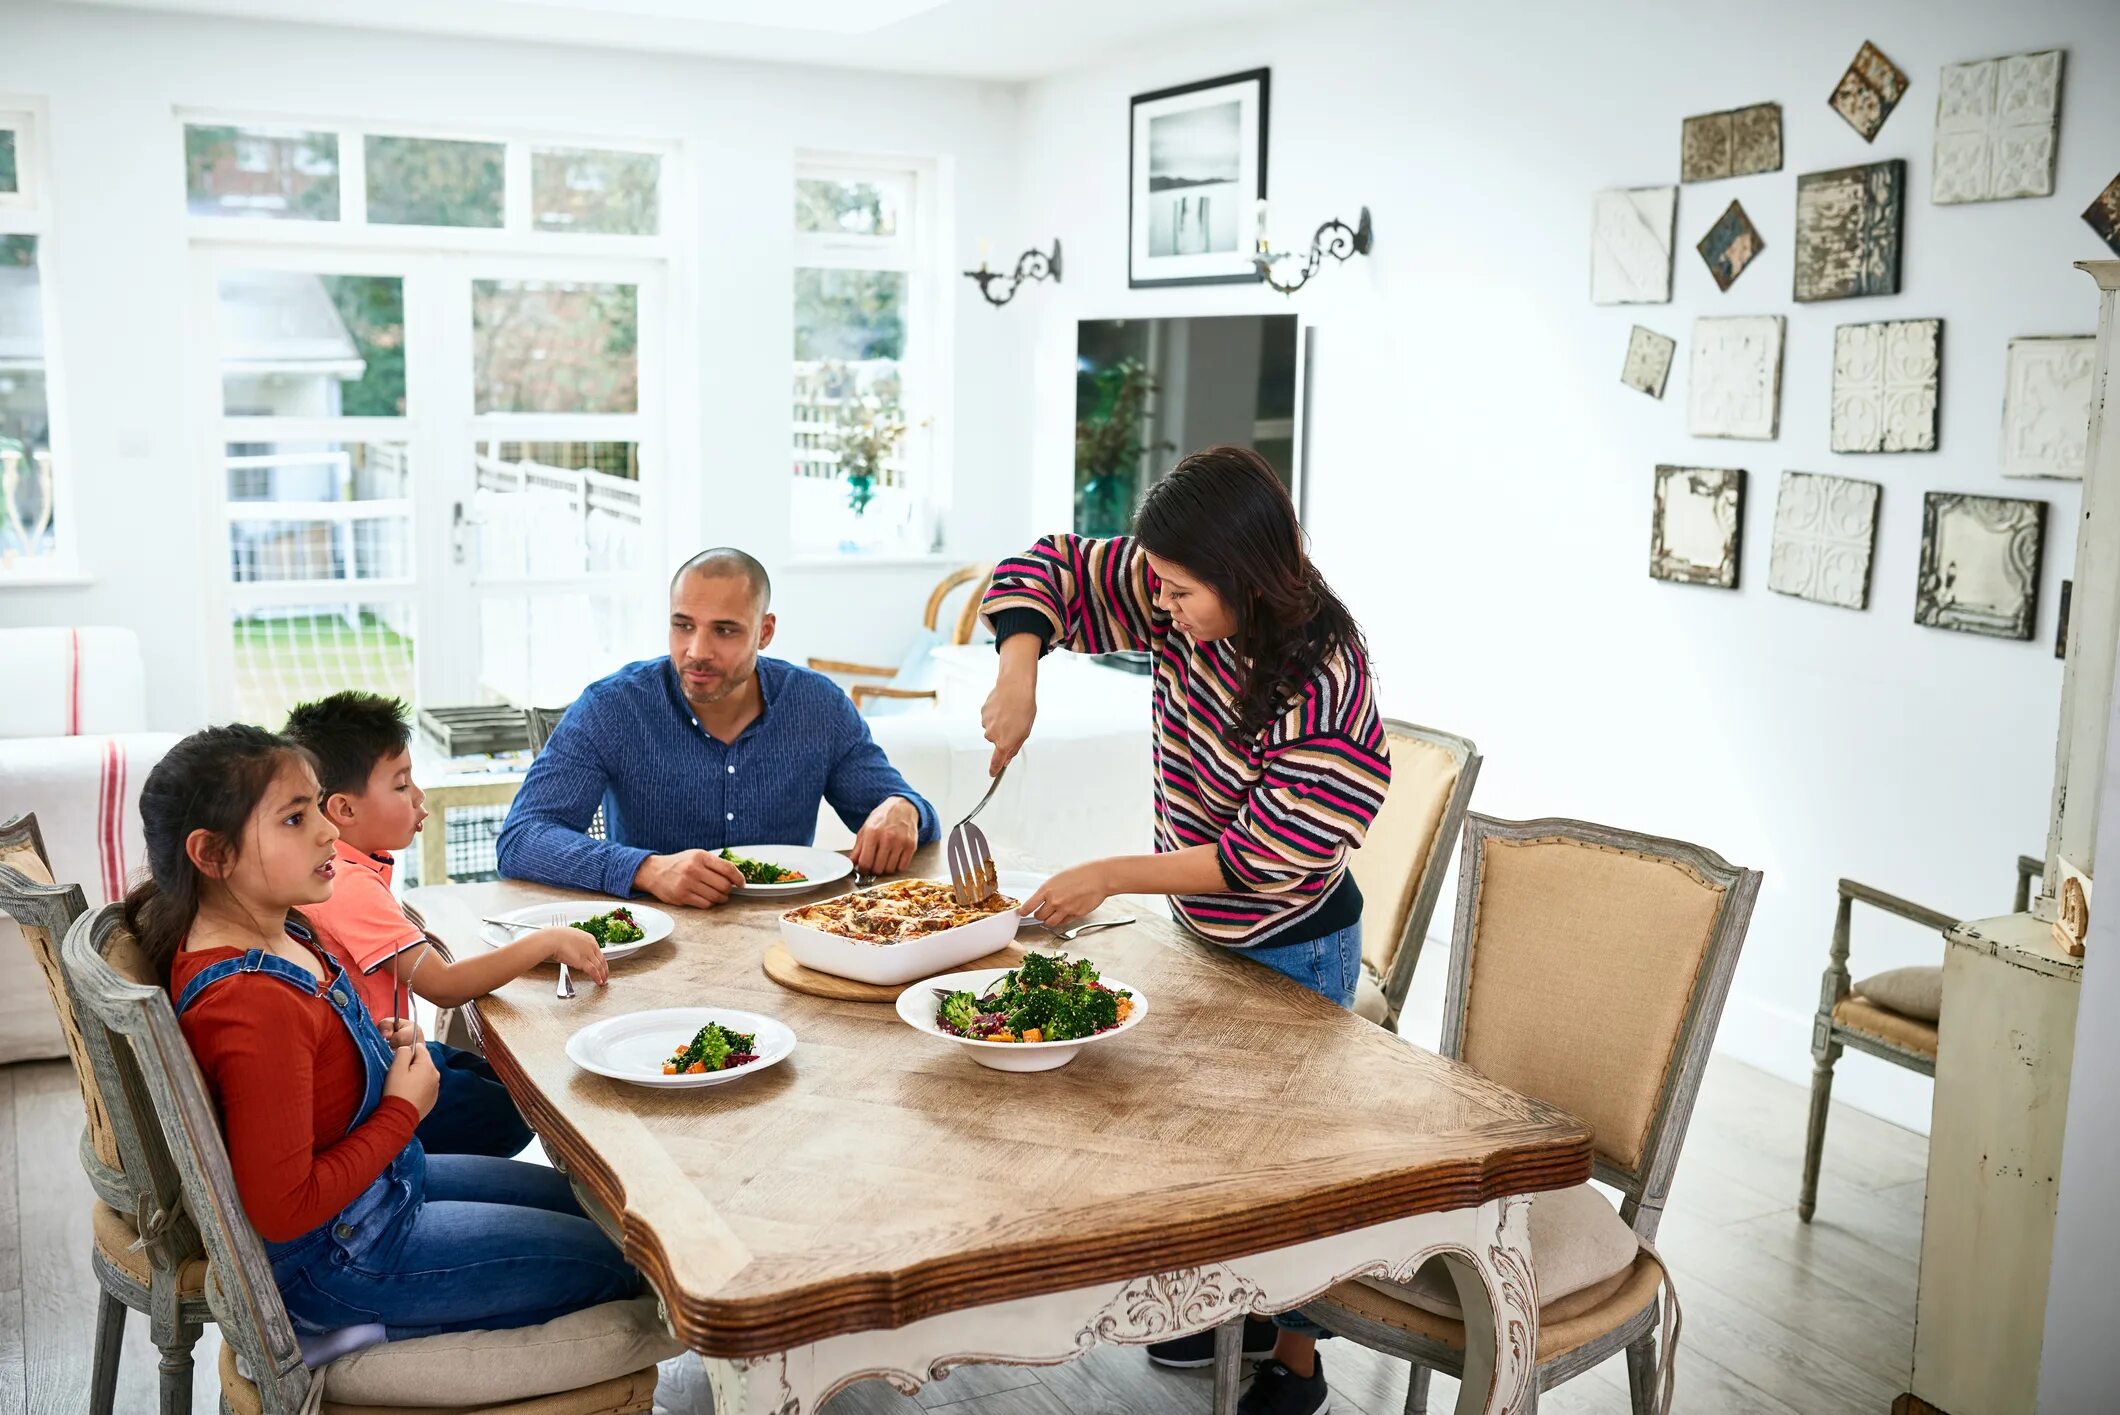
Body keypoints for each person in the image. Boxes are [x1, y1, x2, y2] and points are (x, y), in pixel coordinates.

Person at [980, 445, 1391, 1415]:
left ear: (1245, 575)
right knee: (1207, 1142)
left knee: (1288, 1163)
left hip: (1294, 935)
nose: (1158, 607)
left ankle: (1295, 1357)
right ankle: (1227, 1312)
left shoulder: (1326, 679)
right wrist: (1019, 666)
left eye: (1176, 593)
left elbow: (1255, 854)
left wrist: (1109, 870)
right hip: (1201, 924)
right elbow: (1046, 568)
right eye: (1154, 587)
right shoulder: (1178, 588)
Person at [128, 725, 641, 1339]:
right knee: (623, 1264)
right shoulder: (251, 1000)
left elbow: (303, 1071)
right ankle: (371, 1336)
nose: (326, 830)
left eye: (318, 806)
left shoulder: (278, 929)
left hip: (386, 1188)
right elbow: (282, 1209)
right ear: (212, 855)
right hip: (348, 1254)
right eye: (294, 819)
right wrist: (403, 1109)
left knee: (615, 1215)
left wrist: (363, 1045)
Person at [497, 547, 939, 904]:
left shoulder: (818, 706)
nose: (696, 650)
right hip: (655, 949)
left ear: (764, 632)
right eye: (683, 625)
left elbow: (906, 815)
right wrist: (647, 869)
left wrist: (903, 809)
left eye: (725, 631)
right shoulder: (613, 707)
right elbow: (521, 839)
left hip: (790, 943)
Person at [283, 691, 611, 1159]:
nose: (419, 797)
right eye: (401, 785)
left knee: (512, 1078)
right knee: (521, 1107)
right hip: (373, 1086)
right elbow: (444, 985)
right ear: (344, 810)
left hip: (387, 1050)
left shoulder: (348, 869)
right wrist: (546, 942)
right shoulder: (348, 884)